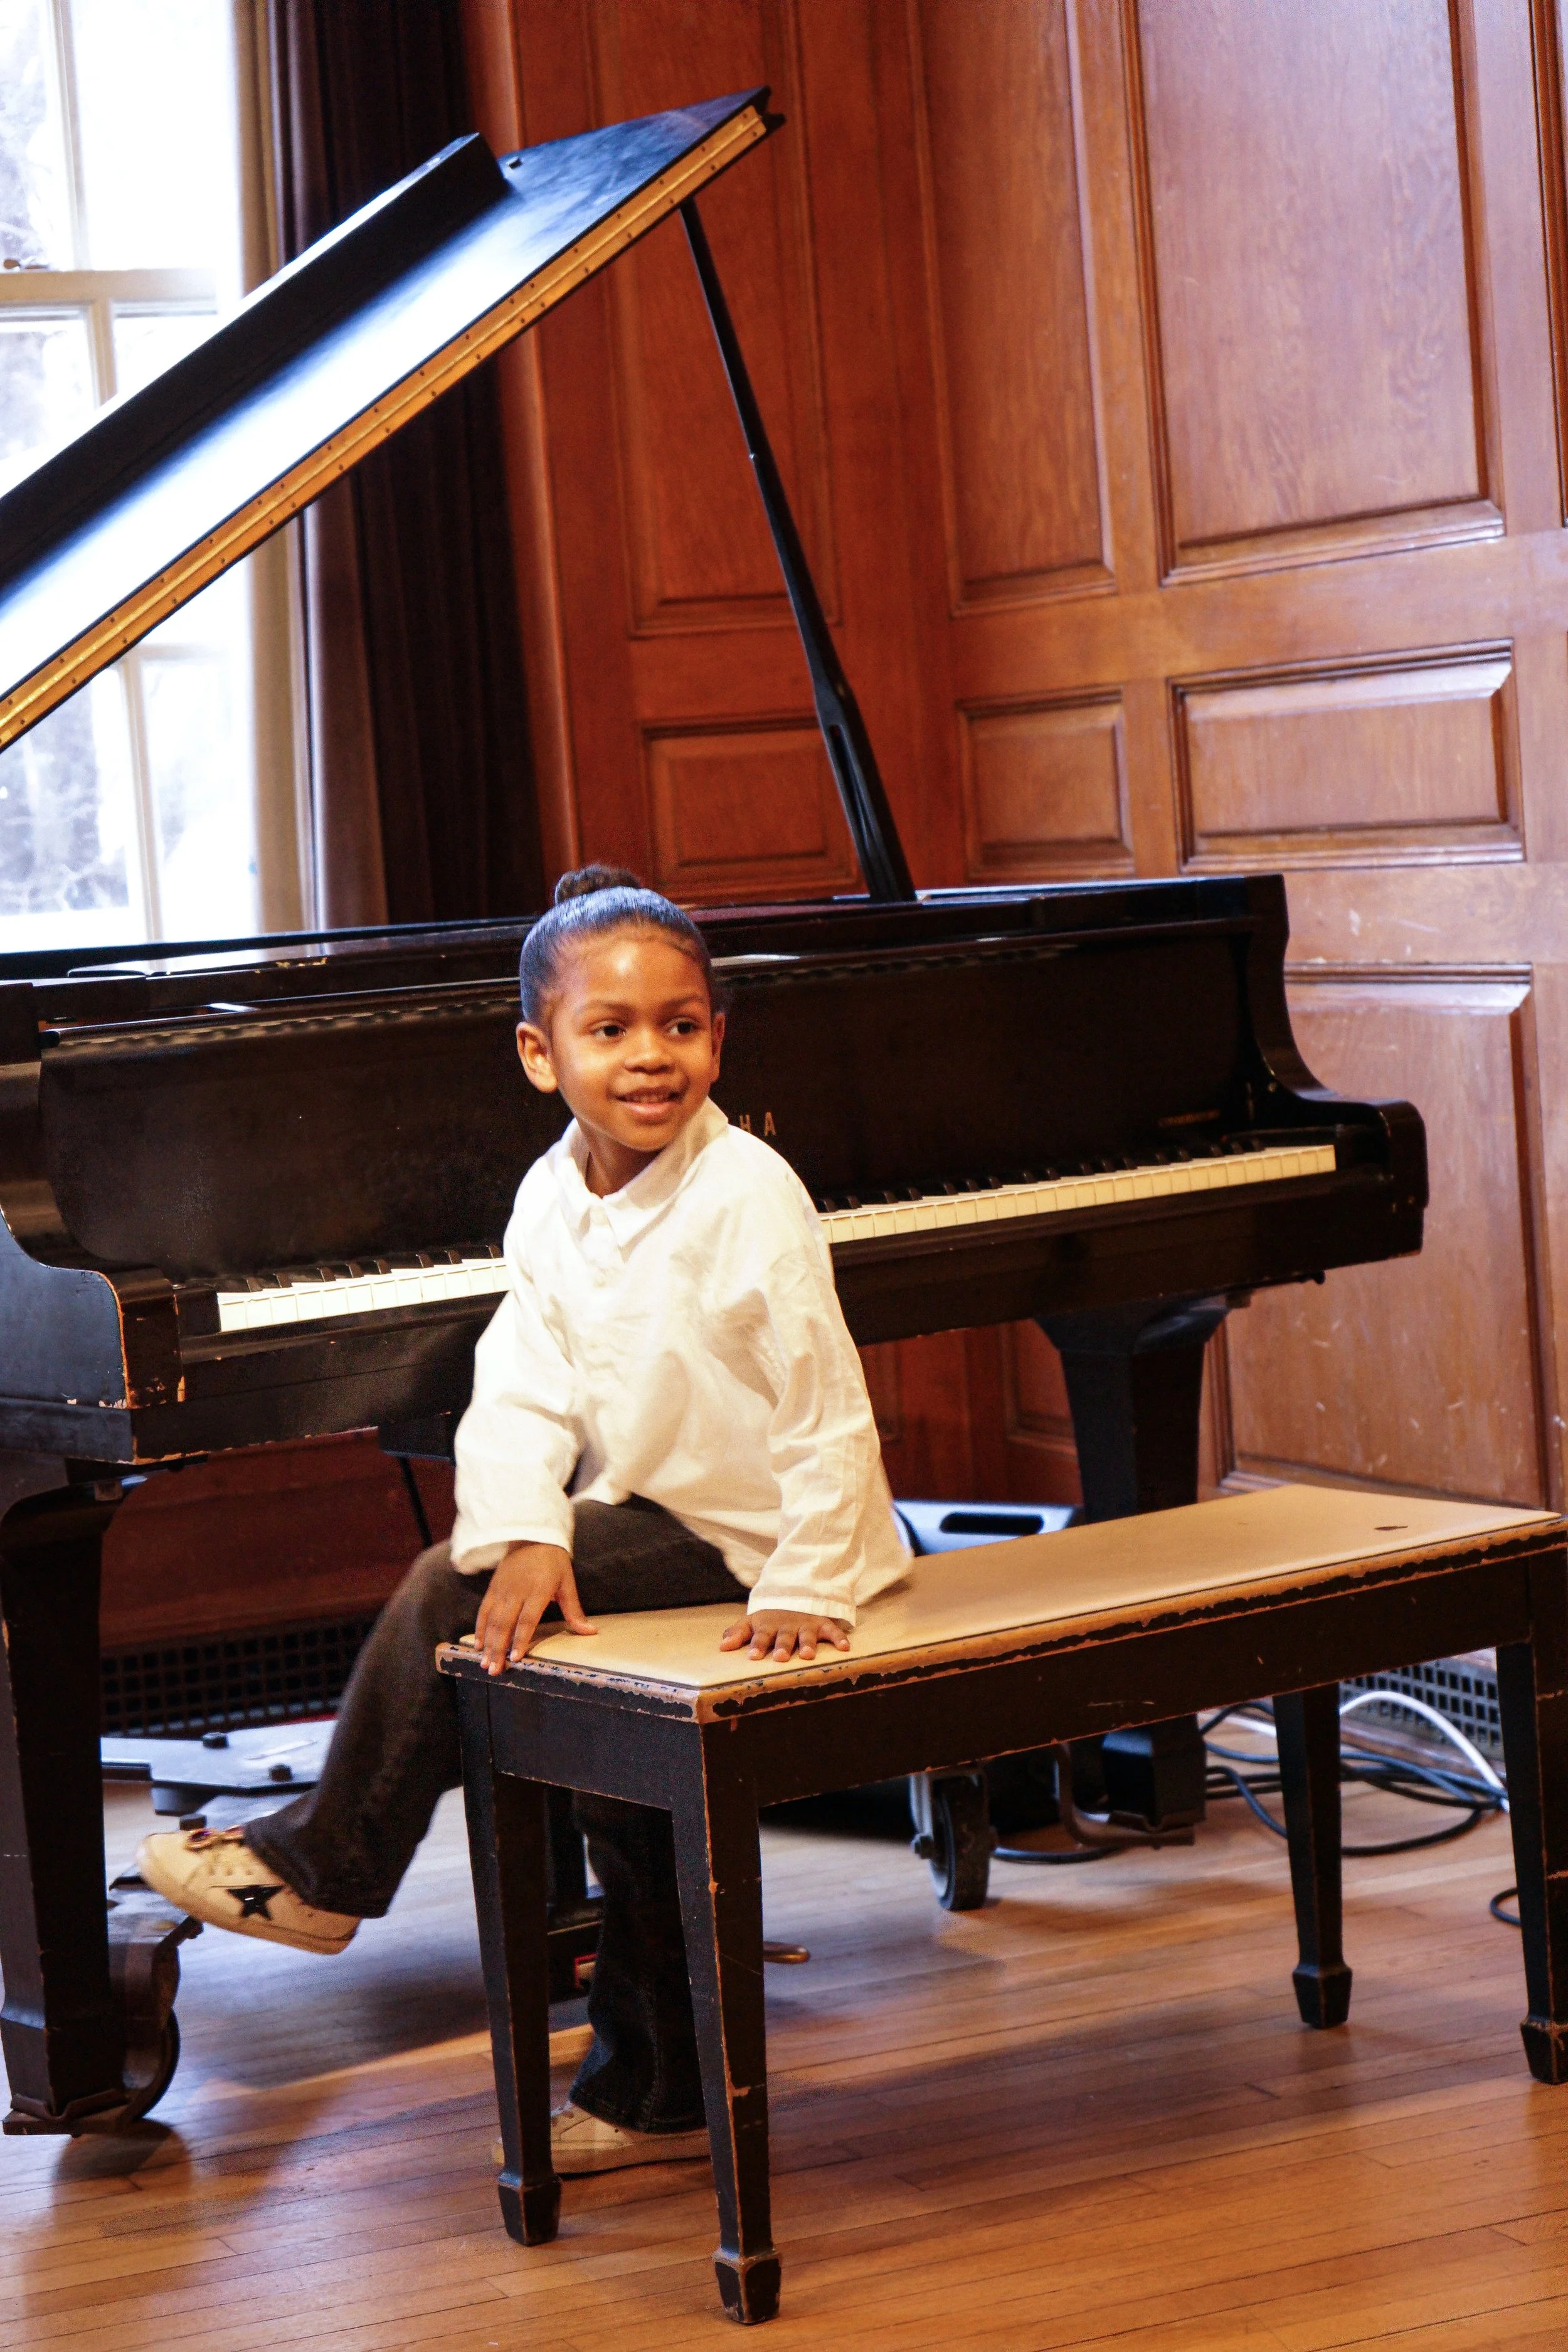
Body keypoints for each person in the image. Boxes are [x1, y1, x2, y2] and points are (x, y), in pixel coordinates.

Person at [138, 864, 908, 2174]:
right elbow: (522, 1383)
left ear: (716, 1037)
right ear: (539, 1056)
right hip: (650, 1518)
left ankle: (320, 1870)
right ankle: (653, 2086)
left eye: (680, 1025)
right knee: (559, 1669)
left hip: (760, 1545)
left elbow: (824, 1407)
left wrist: (804, 1582)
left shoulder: (747, 1194)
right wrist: (534, 1526)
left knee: (454, 1583)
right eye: (610, 1032)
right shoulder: (553, 1191)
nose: (651, 1057)